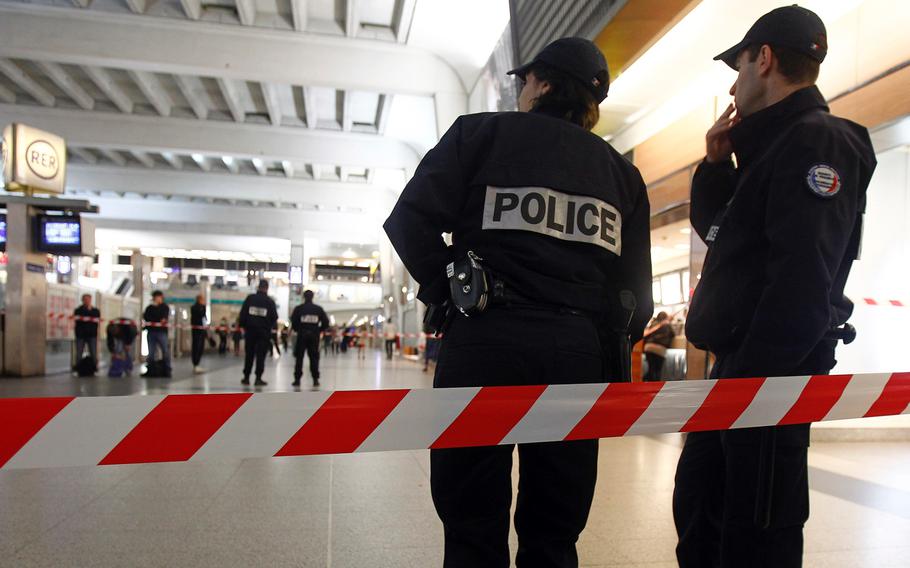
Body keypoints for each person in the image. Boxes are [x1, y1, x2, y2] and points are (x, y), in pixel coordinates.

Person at [383, 37, 652, 568]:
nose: (521, 89)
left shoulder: (479, 135)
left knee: (471, 524)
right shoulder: (622, 175)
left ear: (544, 83)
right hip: (576, 358)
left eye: (525, 80)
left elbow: (408, 221)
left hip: (484, 341)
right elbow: (634, 295)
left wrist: (450, 289)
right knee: (555, 530)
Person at [673, 7, 876, 568]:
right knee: (704, 517)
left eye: (738, 67)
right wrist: (716, 168)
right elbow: (727, 239)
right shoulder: (770, 150)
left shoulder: (816, 143)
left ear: (764, 59)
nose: (734, 84)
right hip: (740, 373)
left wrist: (749, 387)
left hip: (767, 380)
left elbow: (801, 285)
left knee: (754, 535)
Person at [238, 280, 278, 386]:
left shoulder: (250, 299)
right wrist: (267, 327)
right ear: (267, 288)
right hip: (263, 333)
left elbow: (243, 314)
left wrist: (244, 326)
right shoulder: (269, 301)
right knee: (261, 355)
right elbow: (274, 317)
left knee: (249, 354)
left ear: (258, 287)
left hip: (250, 331)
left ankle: (246, 378)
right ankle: (258, 378)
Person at [290, 290, 329, 387]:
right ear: (312, 297)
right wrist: (318, 329)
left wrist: (299, 329)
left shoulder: (299, 309)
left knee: (299, 358)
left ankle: (297, 379)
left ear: (304, 297)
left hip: (302, 335)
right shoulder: (318, 309)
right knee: (314, 357)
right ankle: (315, 379)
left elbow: (294, 321)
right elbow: (326, 322)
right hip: (314, 336)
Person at [143, 291, 172, 378]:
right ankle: (151, 370)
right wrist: (157, 319)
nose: (157, 299)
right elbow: (146, 317)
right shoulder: (149, 308)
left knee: (165, 351)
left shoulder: (165, 307)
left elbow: (163, 319)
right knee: (151, 352)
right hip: (151, 332)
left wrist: (155, 319)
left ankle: (167, 370)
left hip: (161, 332)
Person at [642, 311, 674, 381]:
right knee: (657, 371)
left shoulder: (653, 324)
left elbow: (646, 336)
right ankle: (654, 388)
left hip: (649, 347)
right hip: (660, 349)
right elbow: (673, 334)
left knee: (651, 369)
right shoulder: (667, 324)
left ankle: (644, 382)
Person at [73, 293, 100, 374]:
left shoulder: (95, 311)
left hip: (92, 335)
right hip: (80, 335)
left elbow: (96, 319)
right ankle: (78, 368)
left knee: (93, 352)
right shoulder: (78, 310)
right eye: (85, 299)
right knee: (79, 353)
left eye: (88, 299)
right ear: (82, 300)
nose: (87, 301)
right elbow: (78, 319)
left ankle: (94, 368)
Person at [190, 294, 207, 374]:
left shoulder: (203, 308)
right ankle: (195, 364)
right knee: (196, 346)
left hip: (202, 330)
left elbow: (204, 317)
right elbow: (199, 316)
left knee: (200, 347)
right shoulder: (195, 308)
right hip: (196, 330)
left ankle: (197, 363)